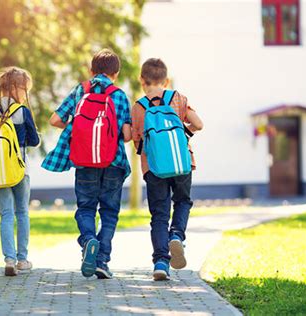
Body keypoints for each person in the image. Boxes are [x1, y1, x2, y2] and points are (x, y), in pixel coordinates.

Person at [42, 49, 132, 279]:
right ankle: (102, 260)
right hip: (113, 161)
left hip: (84, 160)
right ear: (116, 73)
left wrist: (79, 130)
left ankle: (88, 240)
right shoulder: (119, 95)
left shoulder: (80, 90)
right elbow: (128, 135)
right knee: (110, 211)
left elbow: (55, 120)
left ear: (91, 71)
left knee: (86, 208)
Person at [131, 58, 203, 280]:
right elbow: (198, 124)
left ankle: (161, 262)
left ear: (142, 80)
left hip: (154, 167)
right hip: (182, 163)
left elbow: (136, 140)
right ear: (167, 80)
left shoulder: (139, 107)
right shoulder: (178, 99)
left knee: (159, 214)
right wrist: (183, 131)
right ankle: (177, 236)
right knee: (182, 202)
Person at [0, 67, 40, 276]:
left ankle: (8, 260)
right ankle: (22, 259)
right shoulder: (22, 111)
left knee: (6, 214)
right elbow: (34, 141)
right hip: (19, 169)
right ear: (18, 89)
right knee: (22, 212)